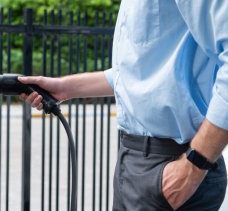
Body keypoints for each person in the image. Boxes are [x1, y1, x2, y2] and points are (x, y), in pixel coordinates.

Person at [18, 1, 228, 210]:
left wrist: (192, 168)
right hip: (136, 161)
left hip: (175, 164)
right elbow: (137, 75)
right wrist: (65, 88)